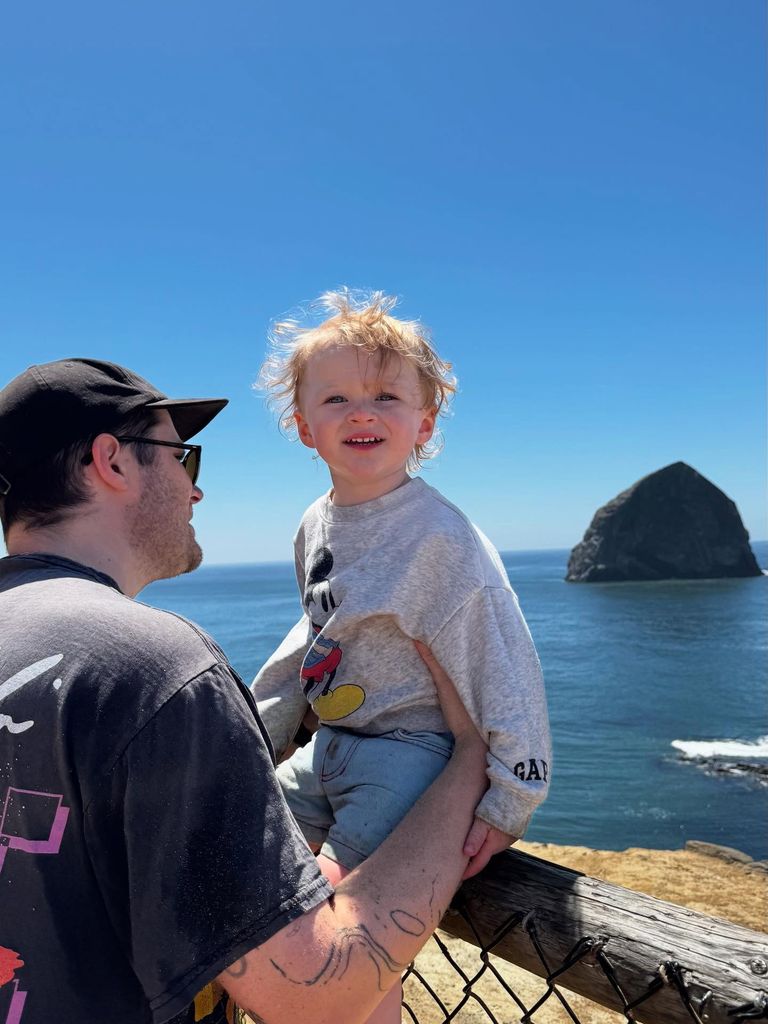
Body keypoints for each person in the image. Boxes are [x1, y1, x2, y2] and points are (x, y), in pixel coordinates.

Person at [0, 357, 488, 1024]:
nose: (195, 492)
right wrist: (466, 762)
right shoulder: (153, 668)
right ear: (112, 462)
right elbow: (313, 997)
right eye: (183, 458)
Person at [252, 290, 552, 1022]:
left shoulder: (441, 538)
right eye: (338, 398)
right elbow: (319, 632)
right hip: (332, 747)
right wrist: (261, 730)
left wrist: (514, 794)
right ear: (303, 427)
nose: (363, 412)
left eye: (387, 395)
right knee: (243, 859)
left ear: (424, 423)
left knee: (343, 927)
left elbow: (500, 651)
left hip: (410, 753)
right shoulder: (314, 524)